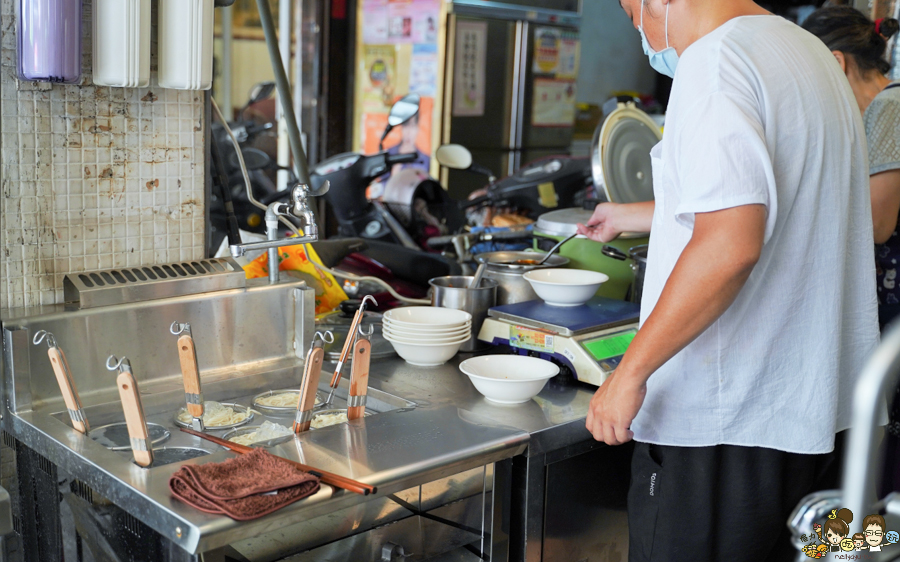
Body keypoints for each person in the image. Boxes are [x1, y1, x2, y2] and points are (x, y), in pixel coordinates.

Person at [575, 0, 881, 560]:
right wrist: (637, 213)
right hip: (818, 418)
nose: (641, 32)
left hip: (726, 425)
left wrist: (630, 372)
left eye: (633, 14)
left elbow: (729, 245)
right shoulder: (808, 52)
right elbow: (782, 193)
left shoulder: (713, 61)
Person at [803, 8, 900, 500]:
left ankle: (843, 550)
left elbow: (878, 224)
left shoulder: (889, 106)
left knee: (881, 488)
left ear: (836, 64)